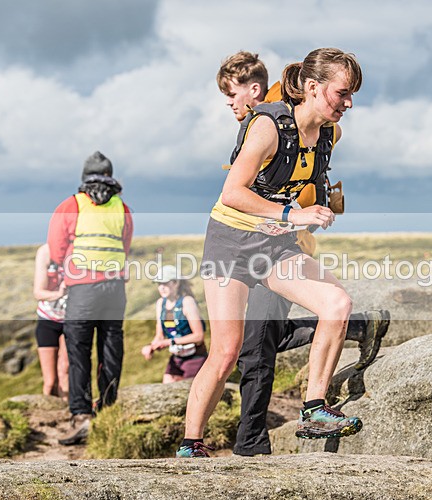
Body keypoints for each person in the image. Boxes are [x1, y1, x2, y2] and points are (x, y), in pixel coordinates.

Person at [177, 48, 365, 458]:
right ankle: (191, 443)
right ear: (313, 88)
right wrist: (291, 213)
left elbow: (309, 180)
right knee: (227, 350)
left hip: (274, 244)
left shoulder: (332, 134)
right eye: (342, 93)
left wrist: (317, 208)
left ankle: (314, 409)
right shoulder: (267, 125)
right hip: (230, 241)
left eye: (352, 95)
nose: (348, 103)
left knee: (337, 304)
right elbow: (232, 193)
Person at [217, 51, 390, 456]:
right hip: (254, 245)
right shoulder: (265, 127)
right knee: (254, 343)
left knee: (256, 348)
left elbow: (294, 189)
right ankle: (357, 327)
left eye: (231, 93)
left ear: (255, 90)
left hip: (280, 247)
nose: (228, 102)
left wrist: (302, 211)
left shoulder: (287, 121)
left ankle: (252, 447)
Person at [47, 151, 133, 446]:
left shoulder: (70, 206)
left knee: (78, 351)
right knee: (111, 348)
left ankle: (81, 415)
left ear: (84, 177)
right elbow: (125, 245)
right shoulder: (122, 208)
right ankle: (107, 411)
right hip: (114, 289)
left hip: (82, 289)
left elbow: (56, 250)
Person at [141, 265, 208, 383]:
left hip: (195, 358)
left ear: (176, 283)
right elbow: (160, 335)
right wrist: (151, 346)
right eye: (159, 284)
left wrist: (170, 342)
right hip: (176, 359)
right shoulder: (160, 303)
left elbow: (198, 336)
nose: (161, 287)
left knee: (190, 396)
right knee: (165, 389)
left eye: (165, 283)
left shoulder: (187, 302)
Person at [33, 243, 69, 400]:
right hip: (48, 319)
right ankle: (48, 412)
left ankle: (68, 413)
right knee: (50, 381)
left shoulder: (81, 248)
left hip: (72, 320)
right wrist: (59, 293)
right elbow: (38, 292)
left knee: (65, 370)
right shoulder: (45, 251)